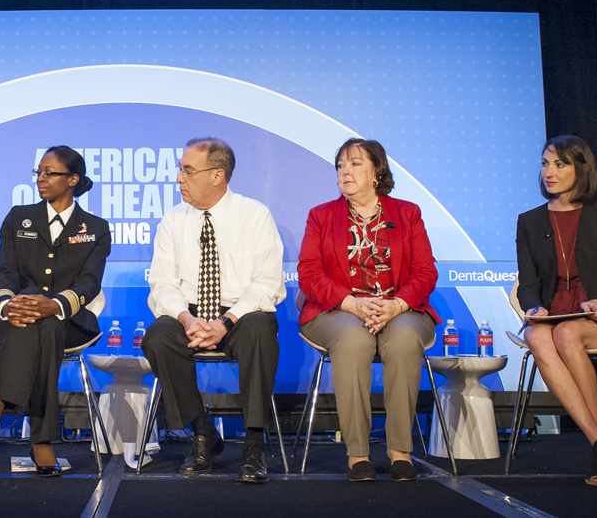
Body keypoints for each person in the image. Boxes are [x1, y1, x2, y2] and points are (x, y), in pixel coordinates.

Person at [0, 146, 110, 476]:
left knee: (50, 322)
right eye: (38, 172)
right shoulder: (18, 217)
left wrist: (56, 304)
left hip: (71, 320)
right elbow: (5, 272)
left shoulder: (95, 226)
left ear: (73, 179)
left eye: (50, 172)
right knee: (42, 324)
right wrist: (8, 305)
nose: (41, 178)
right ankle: (43, 441)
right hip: (18, 318)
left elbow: (90, 283)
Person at [143, 138, 285, 484]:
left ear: (218, 175)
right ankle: (203, 432)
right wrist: (186, 318)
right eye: (180, 169)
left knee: (259, 330)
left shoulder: (254, 215)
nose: (179, 178)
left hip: (241, 313)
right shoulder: (173, 219)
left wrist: (225, 321)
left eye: (187, 170)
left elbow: (267, 284)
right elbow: (162, 284)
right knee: (159, 336)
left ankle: (253, 445)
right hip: (190, 312)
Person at [297, 138, 440, 482]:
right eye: (340, 166)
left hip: (400, 307)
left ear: (376, 170)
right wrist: (353, 304)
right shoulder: (321, 216)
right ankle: (357, 452)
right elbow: (309, 273)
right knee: (353, 340)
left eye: (355, 163)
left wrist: (395, 306)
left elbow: (425, 272)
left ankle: (399, 451)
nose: (345, 171)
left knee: (404, 339)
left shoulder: (407, 213)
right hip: (337, 309)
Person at [516, 135, 597, 490]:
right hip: (553, 314)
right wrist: (533, 306)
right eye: (544, 163)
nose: (548, 172)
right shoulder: (529, 221)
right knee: (538, 334)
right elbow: (527, 284)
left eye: (559, 164)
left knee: (567, 334)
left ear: (580, 167)